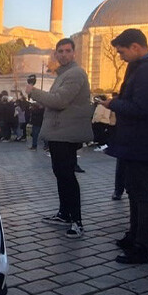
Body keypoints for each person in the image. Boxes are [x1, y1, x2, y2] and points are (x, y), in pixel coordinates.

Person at [99, 28, 148, 264]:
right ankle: (134, 236)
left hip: (142, 142)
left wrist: (113, 104)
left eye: (122, 52)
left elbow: (142, 108)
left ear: (135, 47)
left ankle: (142, 247)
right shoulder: (146, 69)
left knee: (142, 194)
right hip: (137, 141)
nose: (120, 56)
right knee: (134, 191)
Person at [27, 38, 93, 239]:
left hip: (67, 133)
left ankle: (77, 221)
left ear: (74, 53)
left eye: (67, 51)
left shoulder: (75, 73)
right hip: (59, 132)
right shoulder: (63, 74)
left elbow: (60, 101)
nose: (64, 54)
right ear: (56, 54)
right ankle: (64, 214)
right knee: (60, 173)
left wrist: (34, 93)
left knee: (67, 176)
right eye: (60, 51)